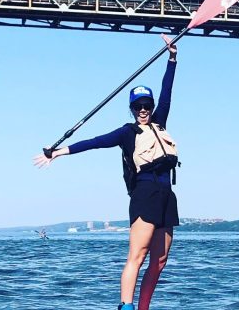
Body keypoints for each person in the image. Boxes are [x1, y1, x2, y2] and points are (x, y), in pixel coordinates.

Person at [34, 34, 180, 310]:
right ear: (132, 109)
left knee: (159, 261)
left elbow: (167, 91)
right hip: (145, 192)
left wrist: (172, 58)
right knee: (137, 255)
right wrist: (58, 152)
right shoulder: (127, 133)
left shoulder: (160, 122)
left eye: (147, 105)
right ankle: (125, 307)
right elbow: (94, 143)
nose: (144, 110)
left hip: (166, 194)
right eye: (138, 106)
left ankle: (143, 308)